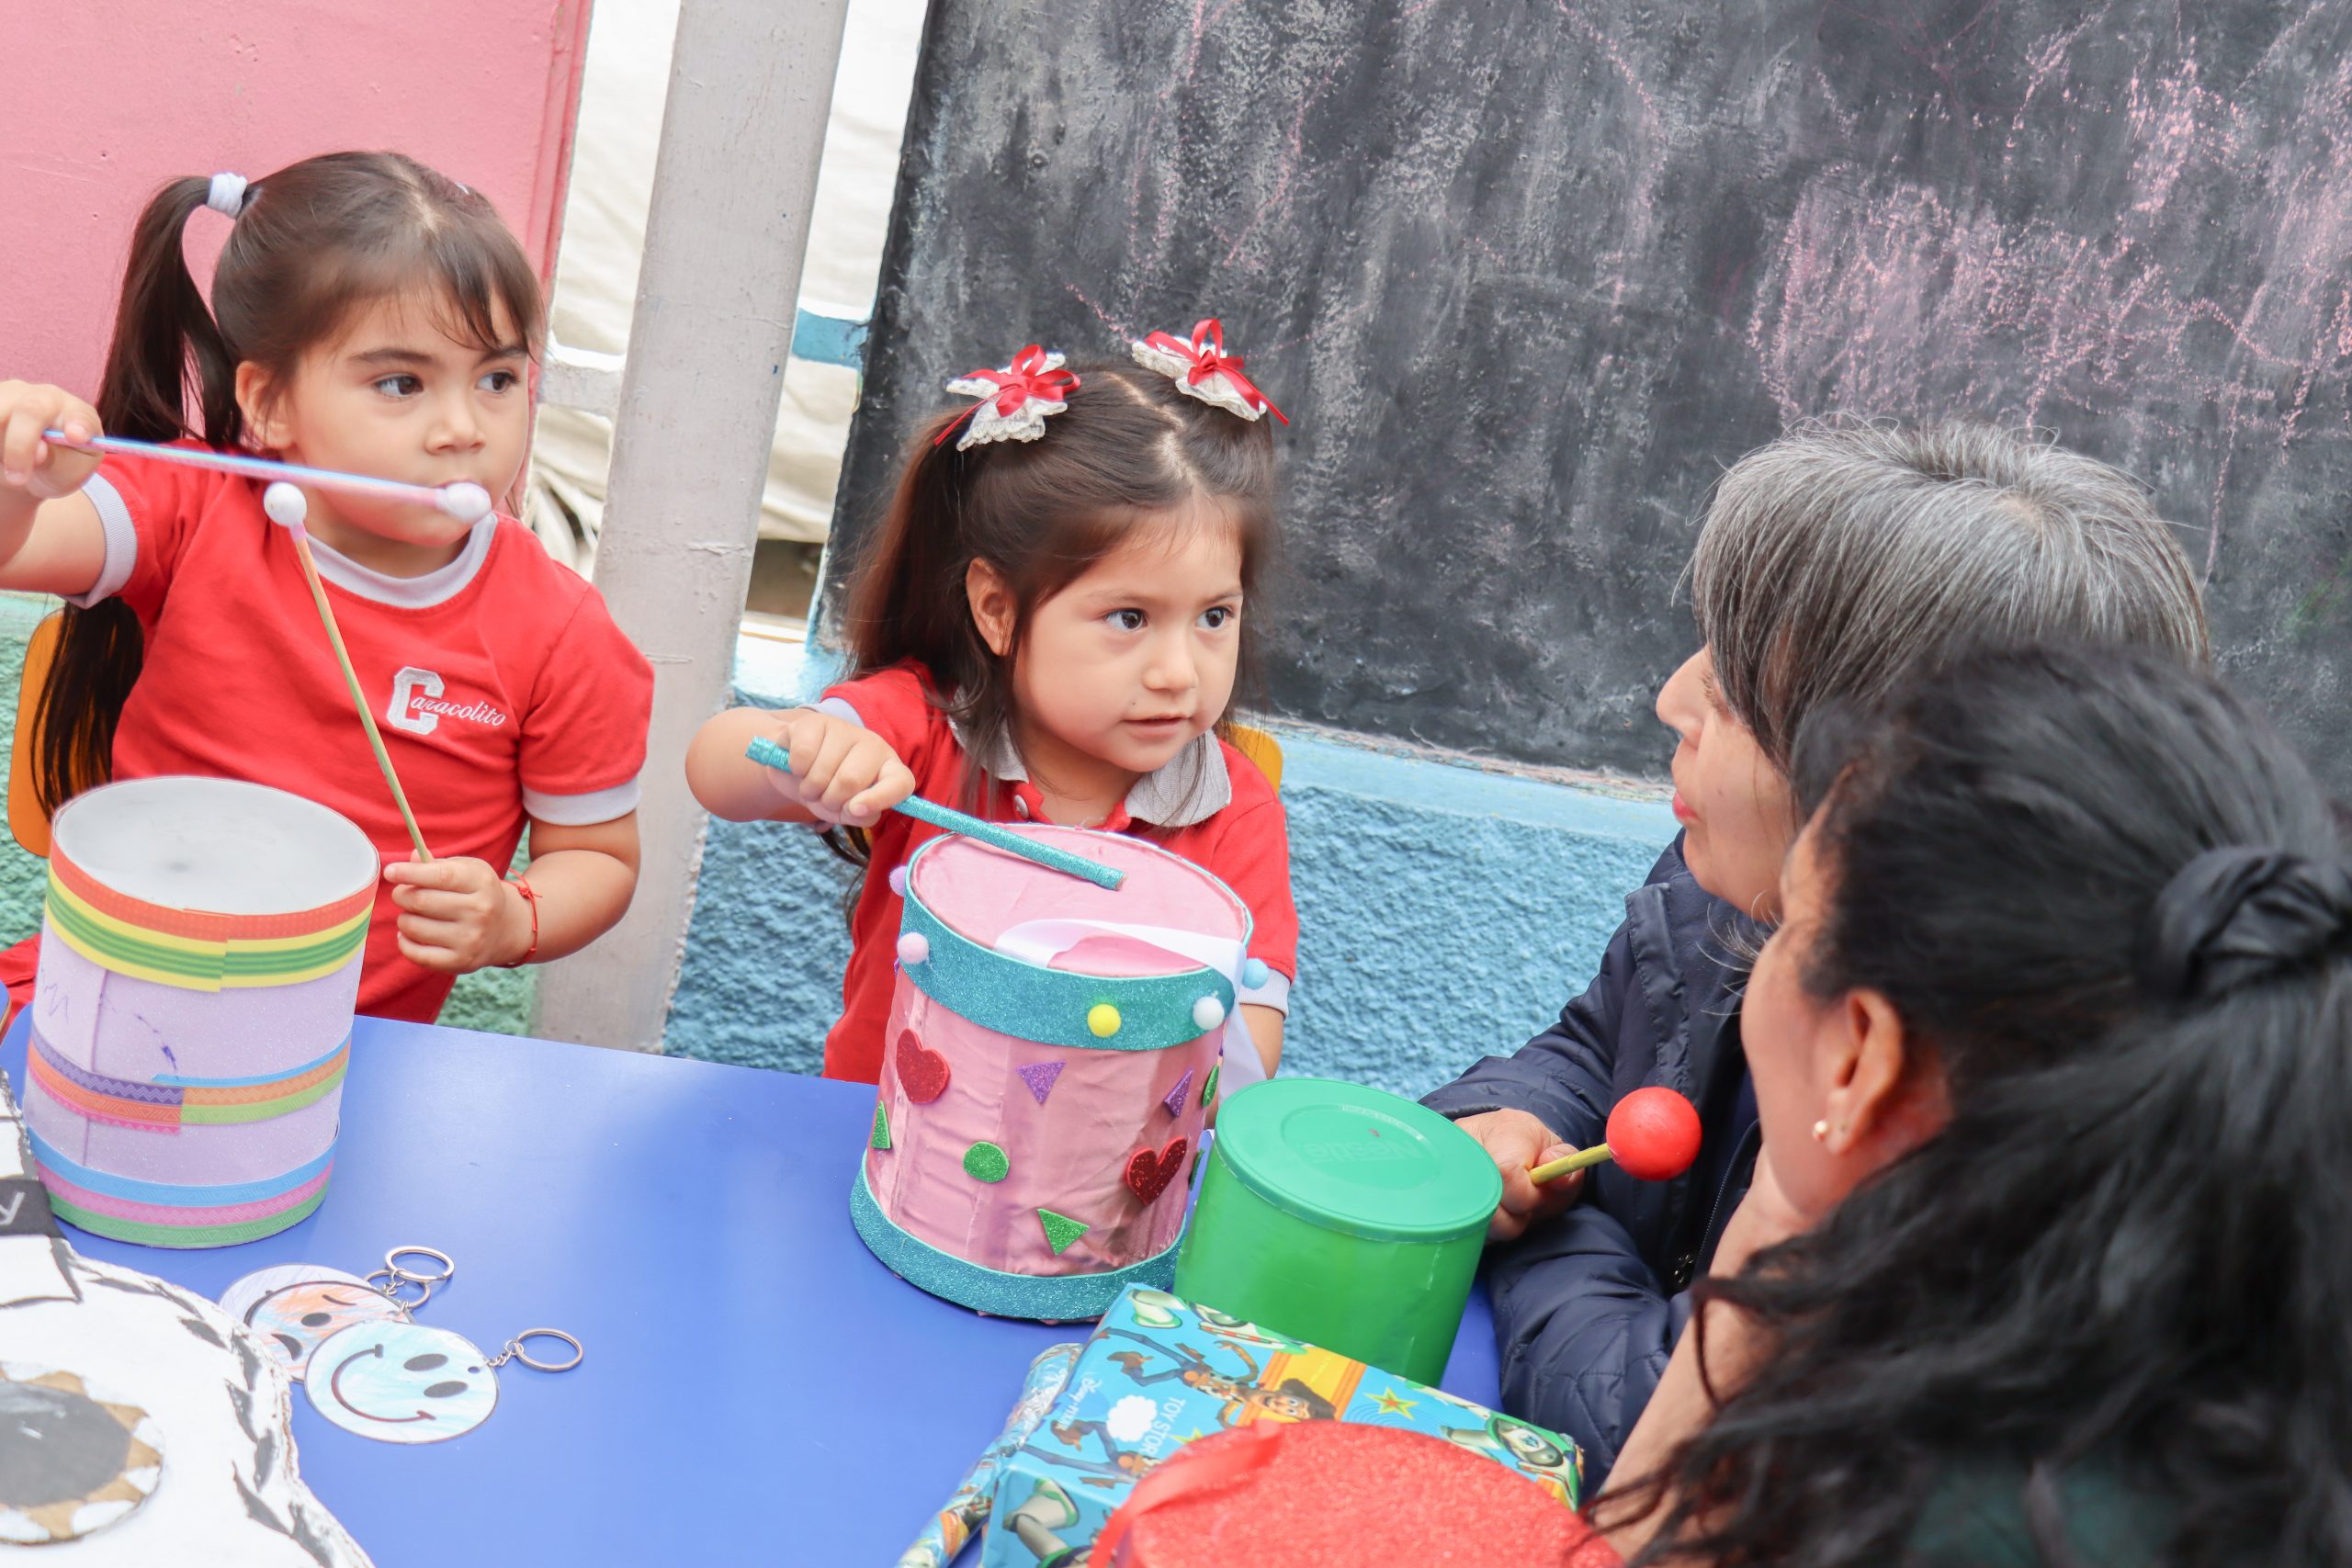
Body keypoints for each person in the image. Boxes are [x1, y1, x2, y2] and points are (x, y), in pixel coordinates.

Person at [1419, 420, 2209, 1479]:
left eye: (1741, 691)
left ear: (1890, 792)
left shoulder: (1971, 1157)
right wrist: (1510, 1126)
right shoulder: (1728, 887)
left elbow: (1654, 1432)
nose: (1671, 698)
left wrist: (1549, 1231)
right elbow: (1596, 1042)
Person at [1587, 644, 2352, 1566]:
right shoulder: (2250, 1345)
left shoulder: (1898, 1505)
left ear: (1862, 1055)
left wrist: (1784, 1210)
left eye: (1788, 921)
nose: (1678, 696)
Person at [0, 153, 651, 1021]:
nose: (463, 429)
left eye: (497, 379)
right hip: (99, 996)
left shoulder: (561, 632)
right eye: (401, 384)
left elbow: (601, 859)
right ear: (268, 404)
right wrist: (18, 478)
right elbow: (20, 548)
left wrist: (512, 919)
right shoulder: (194, 506)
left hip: (333, 1059)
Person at [687, 332, 1296, 1085]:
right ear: (997, 609)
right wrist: (810, 751)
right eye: (1130, 618)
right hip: (881, 1150)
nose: (1179, 673)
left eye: (1213, 617)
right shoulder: (921, 728)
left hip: (1104, 1186)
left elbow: (1246, 1064)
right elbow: (718, 764)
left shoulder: (1236, 811)